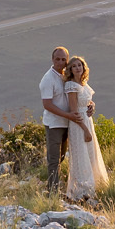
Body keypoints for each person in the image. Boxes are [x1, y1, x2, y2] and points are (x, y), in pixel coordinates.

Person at [62, 55, 109, 201]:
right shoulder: (71, 86)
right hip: (78, 124)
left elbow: (88, 101)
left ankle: (94, 185)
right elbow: (74, 111)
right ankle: (81, 191)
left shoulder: (84, 85)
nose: (77, 68)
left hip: (88, 121)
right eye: (74, 66)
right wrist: (85, 130)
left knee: (90, 154)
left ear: (84, 68)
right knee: (80, 155)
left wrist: (92, 105)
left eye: (80, 65)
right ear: (70, 70)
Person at [39, 45, 72, 194]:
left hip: (67, 123)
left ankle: (57, 186)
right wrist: (68, 115)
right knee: (54, 159)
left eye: (63, 59)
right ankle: (53, 192)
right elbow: (47, 104)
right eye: (57, 59)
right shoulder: (48, 79)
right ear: (52, 59)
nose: (60, 62)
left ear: (67, 61)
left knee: (62, 157)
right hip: (54, 124)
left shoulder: (66, 76)